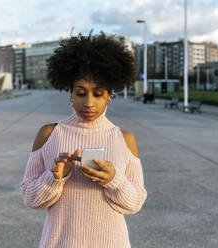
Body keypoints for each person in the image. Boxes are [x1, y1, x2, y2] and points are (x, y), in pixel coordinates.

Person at [20, 32, 147, 248]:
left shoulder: (125, 139)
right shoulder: (49, 134)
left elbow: (134, 204)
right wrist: (55, 177)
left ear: (110, 95)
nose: (88, 102)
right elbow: (30, 199)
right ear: (70, 93)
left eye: (98, 94)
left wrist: (113, 180)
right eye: (80, 93)